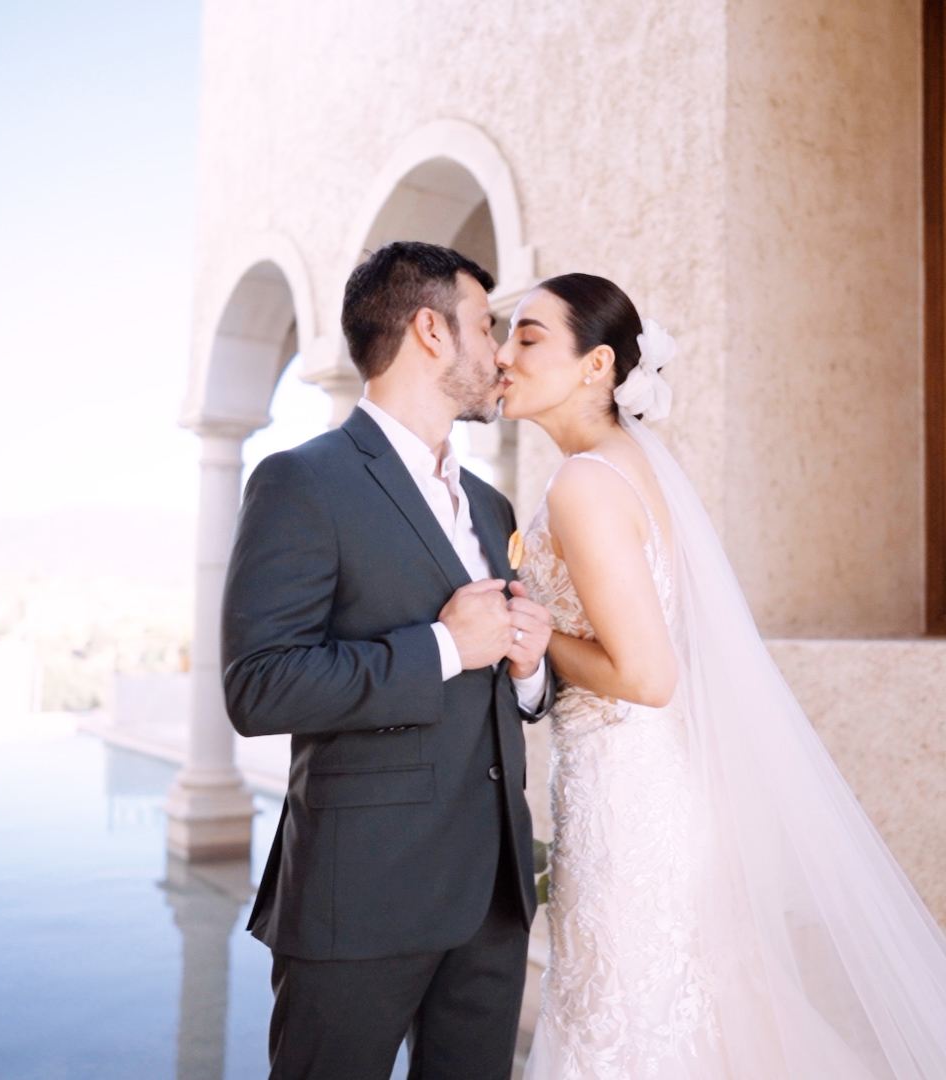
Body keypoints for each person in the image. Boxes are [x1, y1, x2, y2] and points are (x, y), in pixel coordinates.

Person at [499, 273, 946, 1080]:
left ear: (597, 365)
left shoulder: (584, 483)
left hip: (629, 809)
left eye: (528, 337)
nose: (505, 357)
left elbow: (651, 676)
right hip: (653, 790)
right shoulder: (626, 465)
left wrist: (536, 633)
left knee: (621, 1025)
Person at [222, 241, 555, 1080]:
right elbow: (259, 686)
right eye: (487, 326)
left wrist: (526, 671)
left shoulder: (491, 502)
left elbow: (497, 698)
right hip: (359, 900)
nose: (501, 352)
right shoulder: (303, 482)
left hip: (491, 897)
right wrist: (444, 646)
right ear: (431, 332)